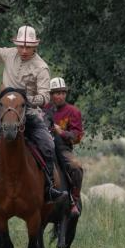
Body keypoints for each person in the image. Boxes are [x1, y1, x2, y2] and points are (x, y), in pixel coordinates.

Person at [0, 22, 68, 204]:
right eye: (21, 46)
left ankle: (49, 188)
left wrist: (26, 99)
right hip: (4, 113)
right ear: (16, 44)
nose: (24, 50)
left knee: (48, 144)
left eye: (28, 47)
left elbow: (45, 97)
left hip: (29, 113)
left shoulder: (41, 67)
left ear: (35, 46)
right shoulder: (9, 54)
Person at [45, 76, 85, 217]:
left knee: (76, 167)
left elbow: (77, 136)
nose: (60, 96)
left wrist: (61, 132)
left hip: (63, 148)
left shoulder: (73, 111)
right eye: (57, 93)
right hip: (44, 147)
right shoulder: (44, 109)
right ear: (51, 95)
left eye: (63, 93)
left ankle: (74, 199)